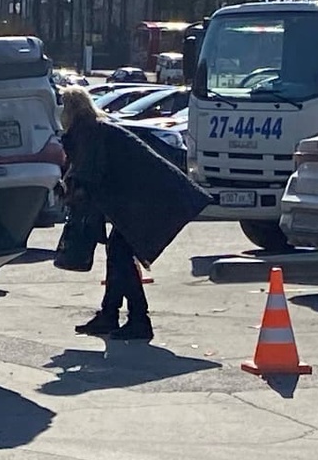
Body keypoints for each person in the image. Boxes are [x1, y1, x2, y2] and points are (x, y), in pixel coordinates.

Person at [59, 86, 212, 341]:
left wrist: (71, 195)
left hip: (150, 197)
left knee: (120, 253)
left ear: (70, 110)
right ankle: (110, 314)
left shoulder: (89, 132)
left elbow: (87, 177)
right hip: (143, 196)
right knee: (117, 252)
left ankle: (139, 319)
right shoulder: (93, 129)